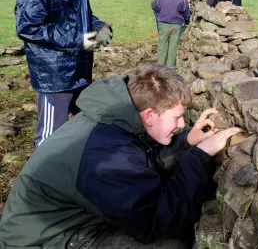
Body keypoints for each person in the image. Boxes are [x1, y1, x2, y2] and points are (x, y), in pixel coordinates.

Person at [0, 64, 244, 248]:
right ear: (149, 115)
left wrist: (188, 142)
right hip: (42, 241)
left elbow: (142, 163)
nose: (182, 124)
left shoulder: (114, 121)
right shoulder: (106, 153)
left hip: (64, 223)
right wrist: (199, 156)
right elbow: (154, 220)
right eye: (177, 118)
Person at [14, 0, 112, 147]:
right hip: (54, 77)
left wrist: (100, 27)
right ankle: (43, 180)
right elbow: (29, 28)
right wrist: (80, 38)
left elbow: (84, 15)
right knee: (50, 139)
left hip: (80, 69)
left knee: (85, 128)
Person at [151, 0, 190, 69]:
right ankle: (171, 69)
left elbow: (154, 6)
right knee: (173, 47)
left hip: (163, 23)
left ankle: (160, 68)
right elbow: (186, 14)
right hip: (176, 25)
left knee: (162, 45)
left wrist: (161, 11)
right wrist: (187, 22)